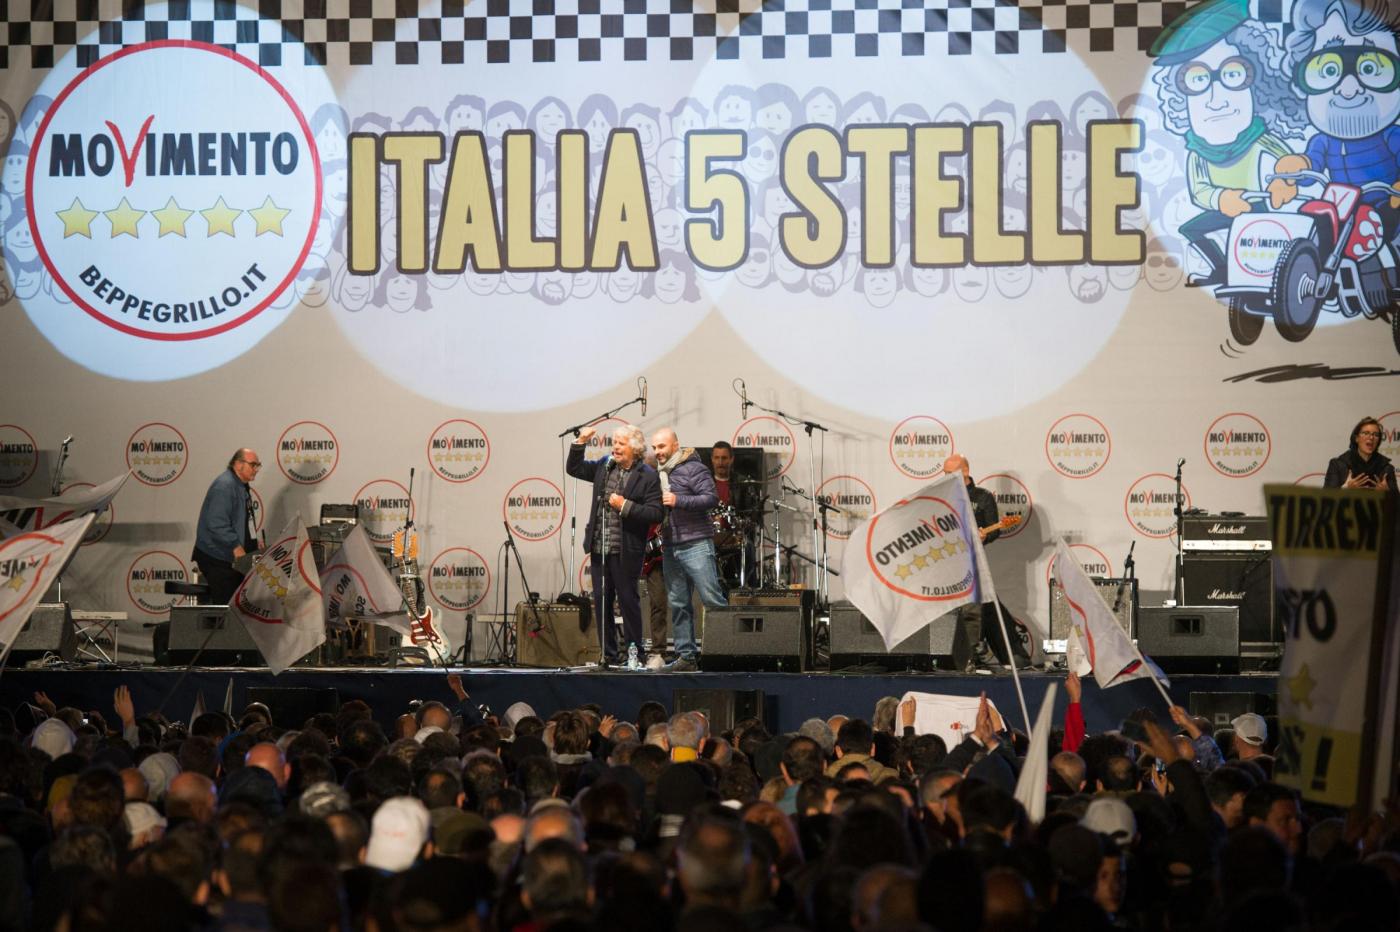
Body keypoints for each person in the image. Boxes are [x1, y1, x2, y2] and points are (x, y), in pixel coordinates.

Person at [567, 424, 663, 665]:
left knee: (628, 602)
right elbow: (575, 468)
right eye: (614, 443)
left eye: (621, 443)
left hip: (626, 550)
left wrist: (625, 506)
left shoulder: (648, 475)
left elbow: (656, 512)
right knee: (602, 602)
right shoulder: (605, 465)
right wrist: (580, 442)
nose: (615, 447)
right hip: (599, 547)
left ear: (635, 447)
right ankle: (608, 655)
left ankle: (634, 655)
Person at [943, 454, 1029, 669]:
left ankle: (971, 656)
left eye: (949, 473)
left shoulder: (983, 497)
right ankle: (945, 655)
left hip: (972, 564)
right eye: (944, 473)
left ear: (964, 472)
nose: (945, 477)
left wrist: (985, 536)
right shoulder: (941, 497)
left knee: (974, 609)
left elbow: (994, 529)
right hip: (944, 563)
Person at [651, 428, 728, 671]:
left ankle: (725, 653)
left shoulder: (694, 468)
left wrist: (678, 500)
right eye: (654, 448)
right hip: (671, 546)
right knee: (678, 603)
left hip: (696, 543)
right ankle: (686, 657)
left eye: (662, 446)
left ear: (675, 445)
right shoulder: (659, 473)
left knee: (711, 599)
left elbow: (711, 498)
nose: (657, 452)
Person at [192, 448, 261, 604]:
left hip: (229, 559)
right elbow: (216, 523)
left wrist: (253, 542)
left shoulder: (240, 485)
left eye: (258, 465)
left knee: (236, 604)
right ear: (238, 464)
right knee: (227, 606)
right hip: (218, 558)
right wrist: (235, 545)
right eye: (253, 465)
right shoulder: (225, 486)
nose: (256, 469)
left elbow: (243, 521)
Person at [1324, 416, 1396, 495]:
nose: (1371, 437)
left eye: (1376, 435)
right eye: (1366, 433)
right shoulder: (1338, 464)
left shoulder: (1386, 468)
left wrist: (1388, 494)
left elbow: (1397, 501)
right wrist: (1345, 489)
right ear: (1356, 438)